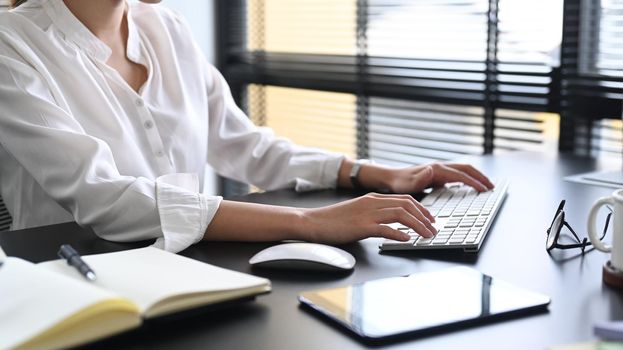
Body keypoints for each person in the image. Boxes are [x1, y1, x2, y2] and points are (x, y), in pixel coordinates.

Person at [0, 0, 494, 253]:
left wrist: (369, 172)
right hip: (73, 283)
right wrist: (309, 223)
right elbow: (104, 198)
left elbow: (245, 145)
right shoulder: (11, 46)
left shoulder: (165, 28)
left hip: (182, 269)